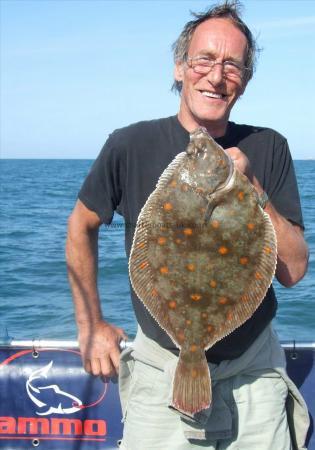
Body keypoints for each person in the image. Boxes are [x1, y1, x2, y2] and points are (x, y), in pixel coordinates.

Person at [66, 2, 309, 449]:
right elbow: (81, 225)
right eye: (204, 60)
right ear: (180, 68)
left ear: (246, 81)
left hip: (253, 375)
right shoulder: (129, 145)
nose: (216, 76)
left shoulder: (269, 147)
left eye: (232, 66)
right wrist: (90, 325)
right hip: (160, 373)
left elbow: (293, 272)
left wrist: (254, 188)